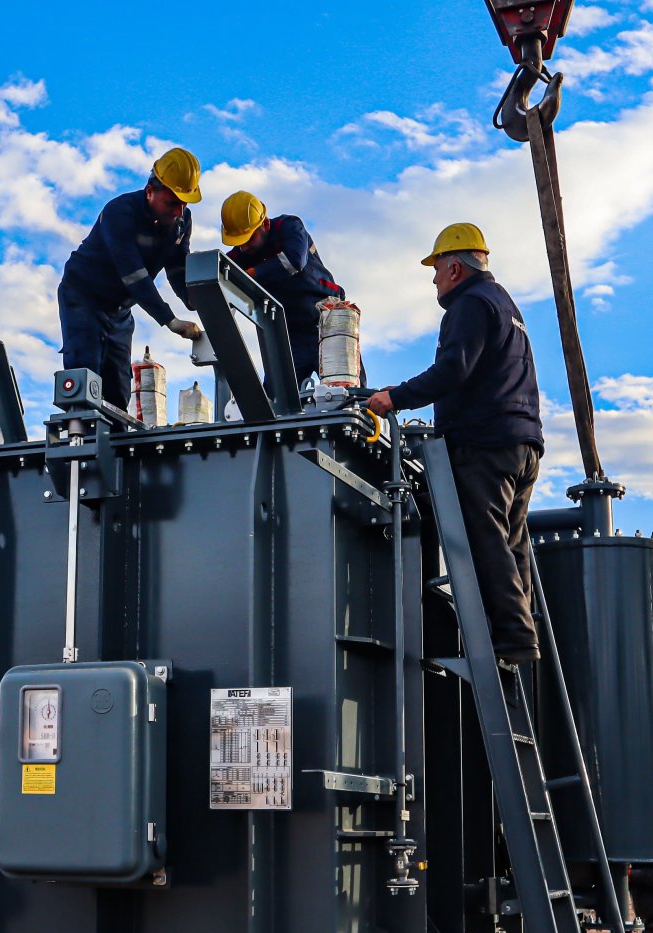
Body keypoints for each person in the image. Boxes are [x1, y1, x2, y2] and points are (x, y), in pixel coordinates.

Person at [366, 223, 544, 663]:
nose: (433, 279)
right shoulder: (504, 304)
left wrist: (395, 397)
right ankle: (519, 637)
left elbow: (452, 370)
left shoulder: (470, 304)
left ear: (454, 268)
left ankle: (512, 636)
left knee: (484, 537)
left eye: (436, 268)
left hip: (484, 441)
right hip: (522, 443)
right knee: (510, 540)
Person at [59, 148, 205, 410]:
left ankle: (115, 435)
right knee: (85, 381)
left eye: (184, 203)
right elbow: (133, 275)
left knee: (117, 393)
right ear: (150, 192)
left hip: (120, 311)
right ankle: (79, 431)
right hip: (83, 299)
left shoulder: (182, 221)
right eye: (172, 203)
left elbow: (177, 266)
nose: (178, 211)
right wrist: (170, 320)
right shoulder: (119, 212)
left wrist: (195, 299)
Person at [221, 191, 345, 383]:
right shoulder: (242, 253)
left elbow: (294, 261)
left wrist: (250, 274)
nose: (243, 247)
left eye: (248, 239)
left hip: (327, 322)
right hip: (289, 335)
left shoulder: (289, 226)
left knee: (346, 390)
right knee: (276, 396)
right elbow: (220, 274)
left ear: (265, 224)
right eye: (239, 242)